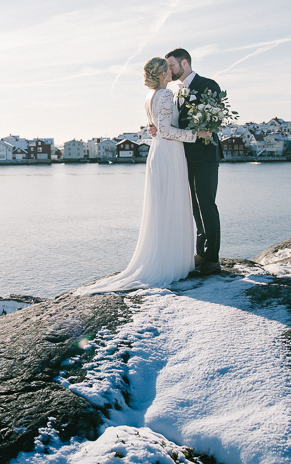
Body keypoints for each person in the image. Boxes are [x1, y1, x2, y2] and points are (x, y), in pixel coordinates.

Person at [76, 58, 208, 294]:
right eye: (168, 69)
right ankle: (171, 264)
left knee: (163, 208)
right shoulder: (166, 95)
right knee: (172, 205)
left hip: (159, 152)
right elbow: (166, 129)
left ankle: (166, 259)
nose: (171, 71)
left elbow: (156, 126)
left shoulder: (150, 97)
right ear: (162, 75)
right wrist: (196, 133)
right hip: (170, 153)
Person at [165, 48, 224, 275]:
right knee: (194, 207)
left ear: (185, 63)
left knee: (207, 204)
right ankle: (201, 253)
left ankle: (213, 258)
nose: (168, 70)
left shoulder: (208, 85)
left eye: (171, 66)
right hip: (185, 157)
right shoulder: (176, 92)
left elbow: (214, 120)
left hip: (206, 155)